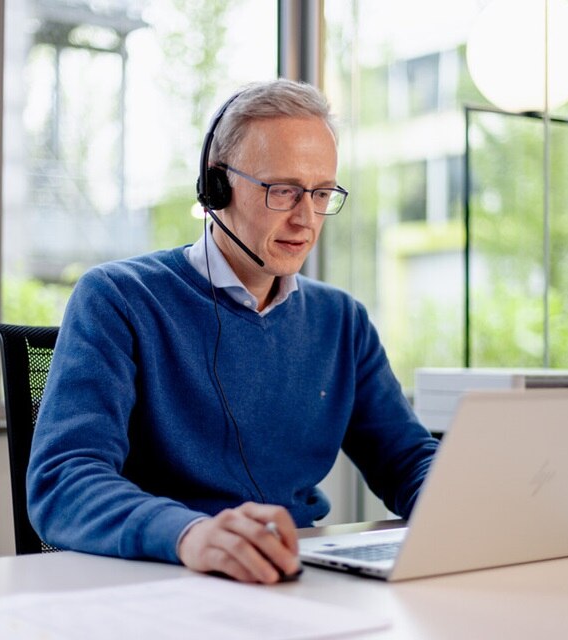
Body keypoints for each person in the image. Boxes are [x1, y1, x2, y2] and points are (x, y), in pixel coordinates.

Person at [27, 79, 439, 584]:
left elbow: (408, 460)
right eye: (284, 190)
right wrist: (191, 534)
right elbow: (62, 482)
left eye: (322, 192)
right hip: (166, 577)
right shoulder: (118, 298)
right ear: (216, 186)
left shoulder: (341, 321)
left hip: (296, 575)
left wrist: (471, 499)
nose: (306, 218)